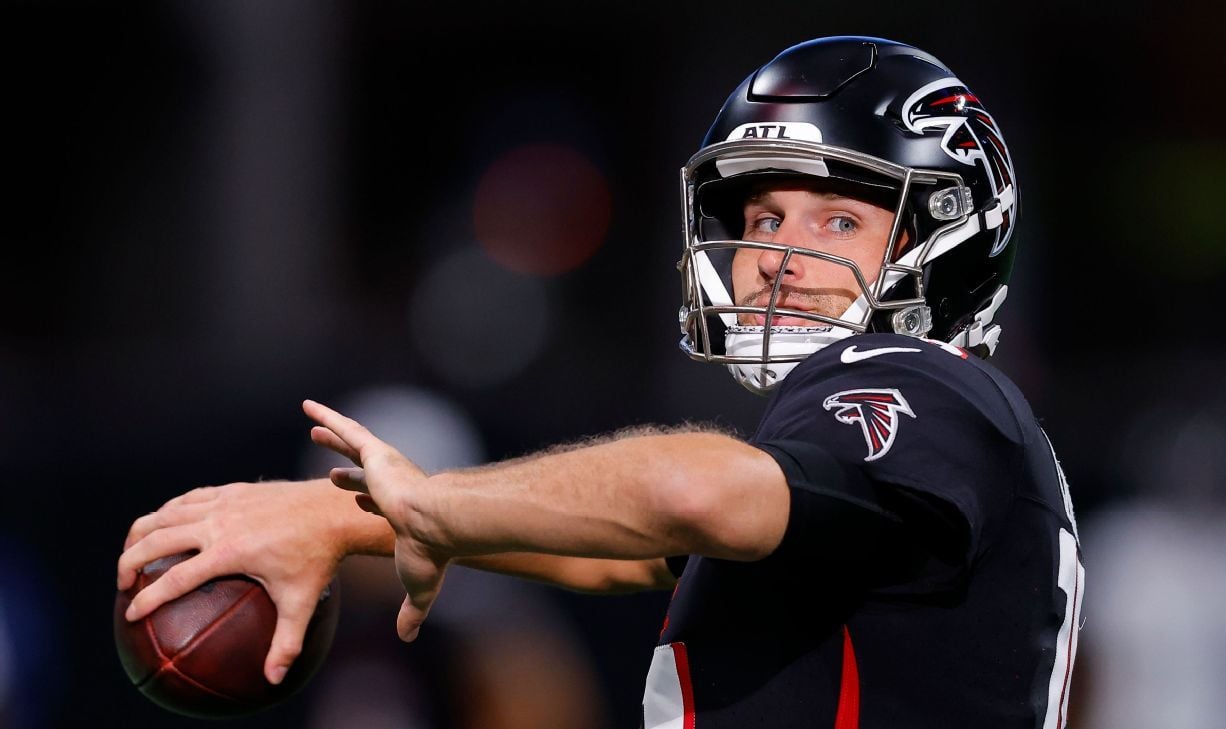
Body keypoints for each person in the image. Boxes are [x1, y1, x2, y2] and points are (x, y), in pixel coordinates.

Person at [118, 35, 1085, 728]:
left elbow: (691, 492)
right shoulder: (887, 463)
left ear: (946, 237)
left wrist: (419, 504)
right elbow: (628, 553)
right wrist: (352, 519)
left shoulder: (926, 381)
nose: (779, 255)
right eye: (760, 217)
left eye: (836, 219)